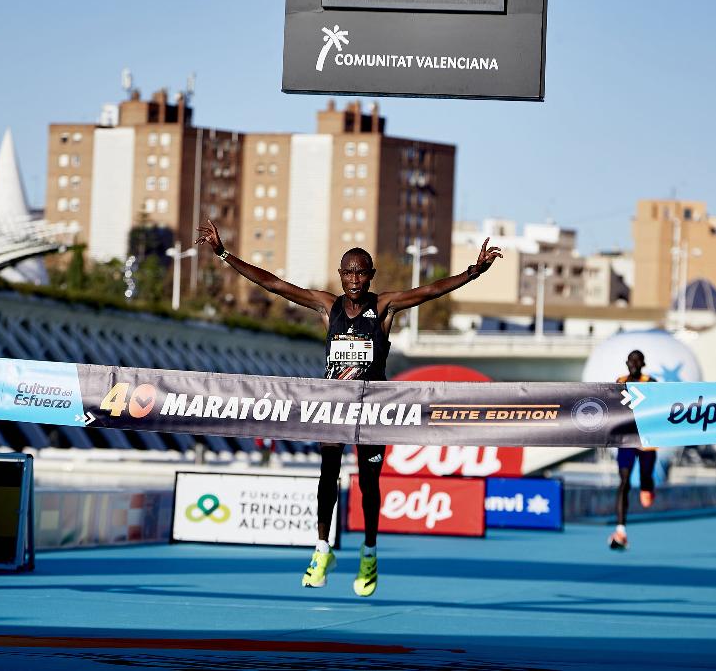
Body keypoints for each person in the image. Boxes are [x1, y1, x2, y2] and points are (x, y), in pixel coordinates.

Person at [196, 219, 500, 596]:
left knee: (369, 483)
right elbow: (275, 284)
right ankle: (322, 549)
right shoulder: (328, 306)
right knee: (328, 475)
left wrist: (474, 272)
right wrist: (224, 254)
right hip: (334, 408)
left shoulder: (384, 306)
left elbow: (431, 290)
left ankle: (369, 553)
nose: (354, 278)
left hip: (373, 409)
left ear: (371, 275)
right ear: (340, 275)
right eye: (348, 272)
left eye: (361, 272)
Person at [609, 350, 657, 550]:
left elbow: (658, 408)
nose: (634, 364)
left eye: (638, 361)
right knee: (624, 481)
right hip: (627, 439)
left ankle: (648, 487)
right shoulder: (620, 381)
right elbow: (612, 406)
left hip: (646, 439)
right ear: (626, 363)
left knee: (645, 478)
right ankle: (621, 530)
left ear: (643, 364)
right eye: (631, 361)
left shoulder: (651, 382)